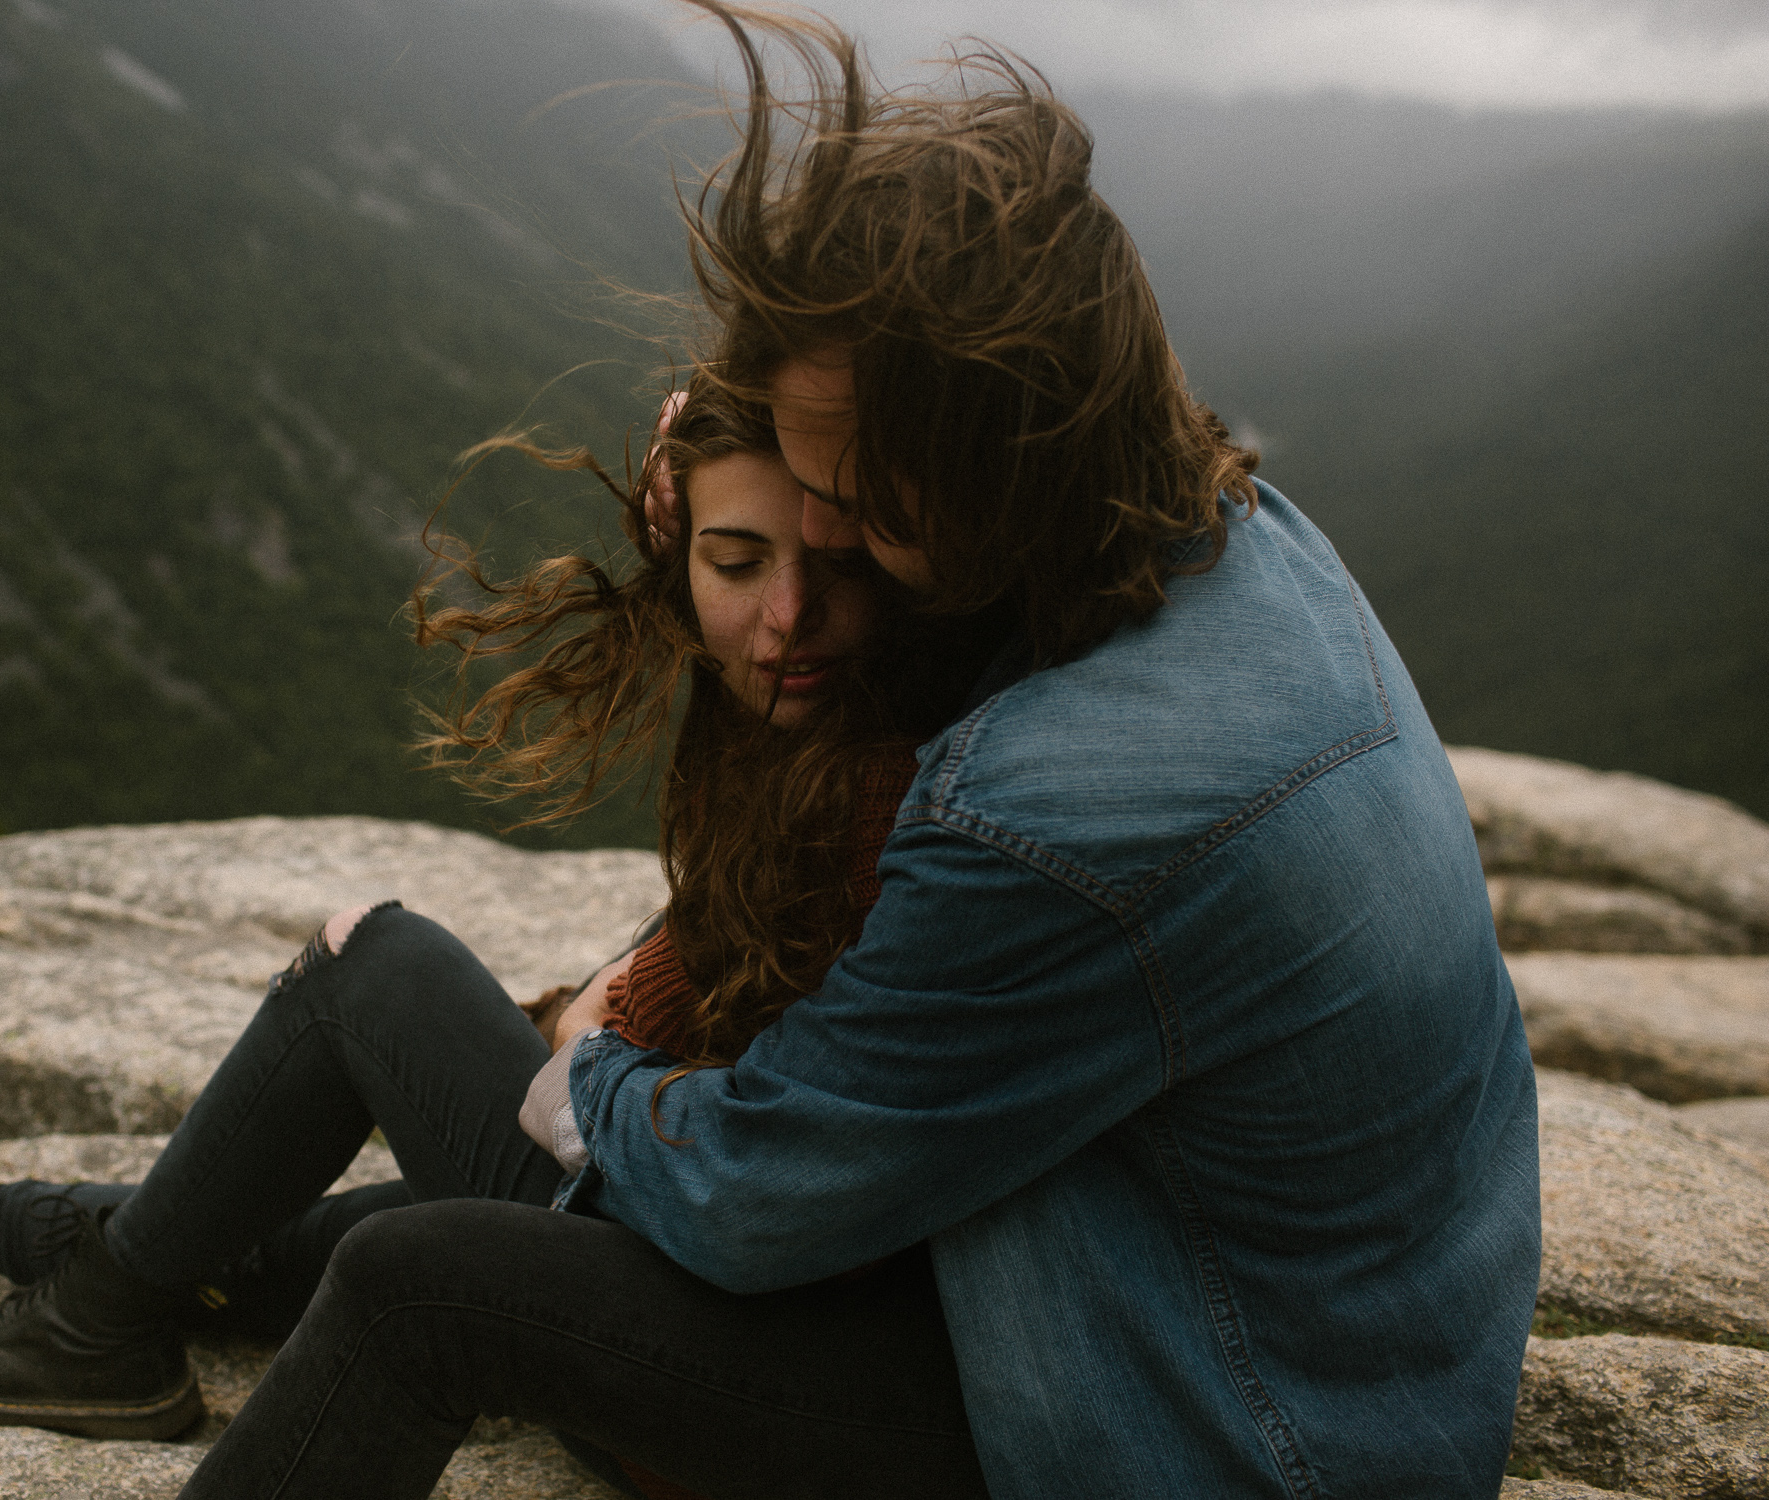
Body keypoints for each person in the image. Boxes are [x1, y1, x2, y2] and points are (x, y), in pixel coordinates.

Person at [159, 8, 1538, 1499]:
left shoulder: (1054, 806)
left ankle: (94, 1283)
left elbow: (756, 1195)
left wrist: (597, 1069)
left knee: (421, 1279)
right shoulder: (1250, 540)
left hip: (1206, 1437)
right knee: (420, 1193)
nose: (815, 545)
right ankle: (70, 1257)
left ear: (981, 482)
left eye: (851, 500)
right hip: (1361, 1366)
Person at [0, 380, 997, 1495]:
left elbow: (792, 1143)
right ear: (677, 554)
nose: (784, 615)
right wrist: (609, 1014)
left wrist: (596, 1052)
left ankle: (79, 1330)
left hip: (744, 1312)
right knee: (260, 1245)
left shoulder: (899, 775)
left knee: (374, 963)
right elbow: (708, 973)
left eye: (832, 567)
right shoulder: (806, 744)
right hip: (689, 1246)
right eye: (732, 561)